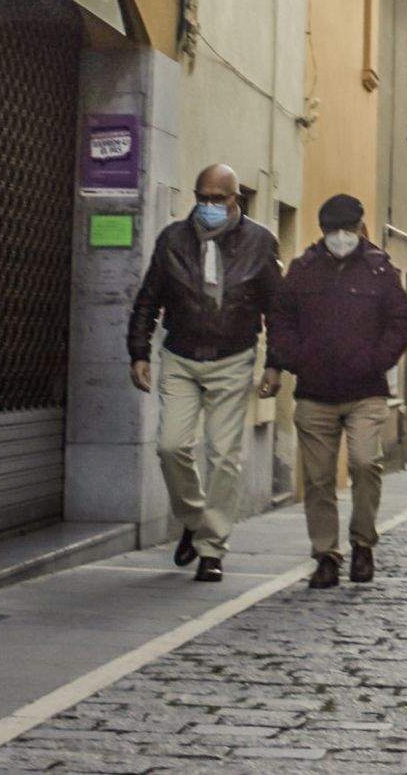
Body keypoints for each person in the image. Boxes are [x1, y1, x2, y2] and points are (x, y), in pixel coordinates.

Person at [127, 164, 281, 582]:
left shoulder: (261, 243)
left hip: (233, 358)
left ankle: (211, 548)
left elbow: (277, 310)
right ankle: (194, 520)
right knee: (171, 446)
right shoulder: (173, 239)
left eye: (219, 198)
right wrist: (139, 351)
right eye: (203, 197)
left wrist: (276, 365)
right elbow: (148, 299)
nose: (210, 206)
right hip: (180, 356)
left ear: (237, 199)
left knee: (223, 455)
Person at [264, 193, 407, 590]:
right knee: (317, 479)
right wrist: (296, 359)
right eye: (334, 230)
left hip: (366, 391)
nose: (341, 237)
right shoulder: (303, 270)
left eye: (348, 229)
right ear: (323, 230)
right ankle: (326, 555)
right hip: (315, 393)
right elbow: (280, 318)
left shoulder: (379, 270)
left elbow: (402, 321)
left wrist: (377, 359)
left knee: (366, 464)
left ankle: (363, 544)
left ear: (360, 227)